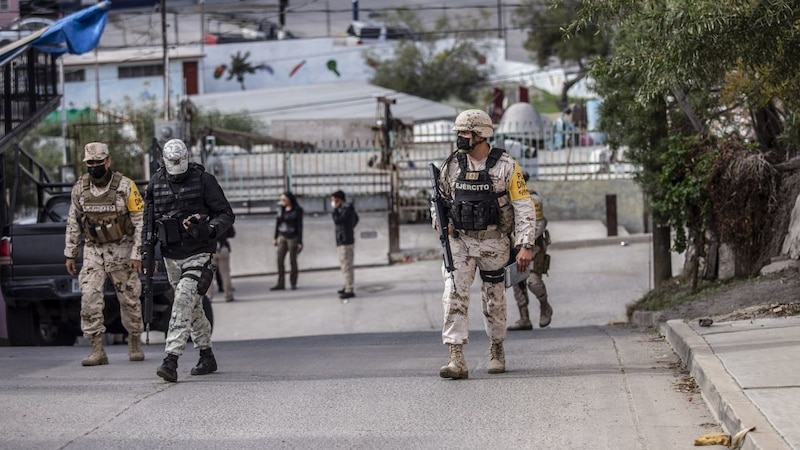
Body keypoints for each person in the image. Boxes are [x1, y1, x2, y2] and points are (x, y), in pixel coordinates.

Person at [433, 109, 537, 379]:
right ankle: (456, 355)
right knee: (453, 293)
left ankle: (496, 348)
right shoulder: (452, 165)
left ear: (481, 135)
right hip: (461, 242)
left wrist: (525, 245)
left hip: (494, 242)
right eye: (459, 132)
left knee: (494, 299)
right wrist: (441, 225)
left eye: (465, 133)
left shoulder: (507, 166)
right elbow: (439, 201)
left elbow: (524, 207)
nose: (460, 137)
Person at [144, 139, 235, 383]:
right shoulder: (155, 183)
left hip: (199, 253)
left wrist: (210, 229)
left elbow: (226, 214)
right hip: (170, 255)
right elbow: (148, 223)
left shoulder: (204, 180)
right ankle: (206, 355)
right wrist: (147, 254)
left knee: (183, 300)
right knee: (192, 308)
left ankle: (171, 359)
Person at [64, 142, 146, 366]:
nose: (94, 167)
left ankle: (135, 342)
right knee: (89, 297)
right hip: (94, 251)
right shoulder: (80, 188)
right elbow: (73, 221)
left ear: (108, 162)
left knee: (129, 299)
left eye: (99, 162)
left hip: (122, 249)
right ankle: (97, 349)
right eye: (90, 163)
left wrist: (138, 253)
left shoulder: (126, 186)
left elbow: (140, 222)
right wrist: (70, 253)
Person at [507, 190, 553, 330]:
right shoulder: (500, 196)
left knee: (532, 281)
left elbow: (538, 225)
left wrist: (524, 242)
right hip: (512, 246)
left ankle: (544, 305)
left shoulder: (530, 198)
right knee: (517, 281)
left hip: (533, 247)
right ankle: (524, 318)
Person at [271, 191, 304, 290]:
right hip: (282, 236)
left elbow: (299, 226)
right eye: (281, 200)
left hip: (292, 237)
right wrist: (275, 237)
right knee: (279, 259)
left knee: (292, 260)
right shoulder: (281, 209)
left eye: (284, 199)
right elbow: (277, 223)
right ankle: (281, 282)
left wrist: (300, 241)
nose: (282, 201)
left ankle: (293, 282)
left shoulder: (297, 210)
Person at [331, 190, 359, 299]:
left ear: (339, 200)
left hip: (345, 240)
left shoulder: (346, 209)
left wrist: (334, 210)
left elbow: (338, 220)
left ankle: (349, 289)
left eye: (334, 200)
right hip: (343, 239)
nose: (333, 203)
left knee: (347, 265)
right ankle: (346, 285)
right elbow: (356, 219)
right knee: (344, 265)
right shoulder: (345, 209)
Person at [213, 224, 236, 302]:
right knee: (225, 274)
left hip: (210, 249)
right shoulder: (224, 219)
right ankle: (228, 295)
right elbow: (232, 234)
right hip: (223, 247)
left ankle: (209, 297)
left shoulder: (207, 219)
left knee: (209, 275)